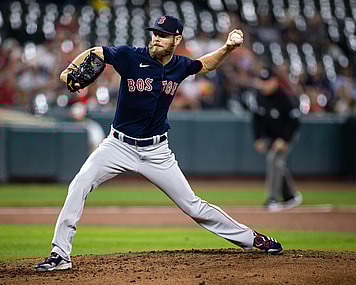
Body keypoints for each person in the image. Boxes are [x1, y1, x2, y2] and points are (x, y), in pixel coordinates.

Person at [35, 15, 283, 272]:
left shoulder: (179, 65)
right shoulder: (130, 56)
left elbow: (205, 65)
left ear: (177, 39)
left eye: (163, 35)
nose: (156, 38)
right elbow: (95, 52)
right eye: (154, 33)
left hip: (156, 151)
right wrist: (68, 71)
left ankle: (252, 239)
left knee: (192, 205)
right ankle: (60, 254)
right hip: (118, 145)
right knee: (80, 183)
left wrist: (228, 47)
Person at [251, 62, 303, 211]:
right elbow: (256, 119)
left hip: (286, 135)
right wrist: (258, 138)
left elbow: (294, 121)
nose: (264, 85)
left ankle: (272, 198)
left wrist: (284, 139)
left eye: (267, 81)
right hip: (271, 137)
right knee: (278, 165)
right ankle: (290, 196)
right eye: (262, 81)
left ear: (274, 81)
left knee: (273, 159)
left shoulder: (285, 96)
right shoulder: (260, 96)